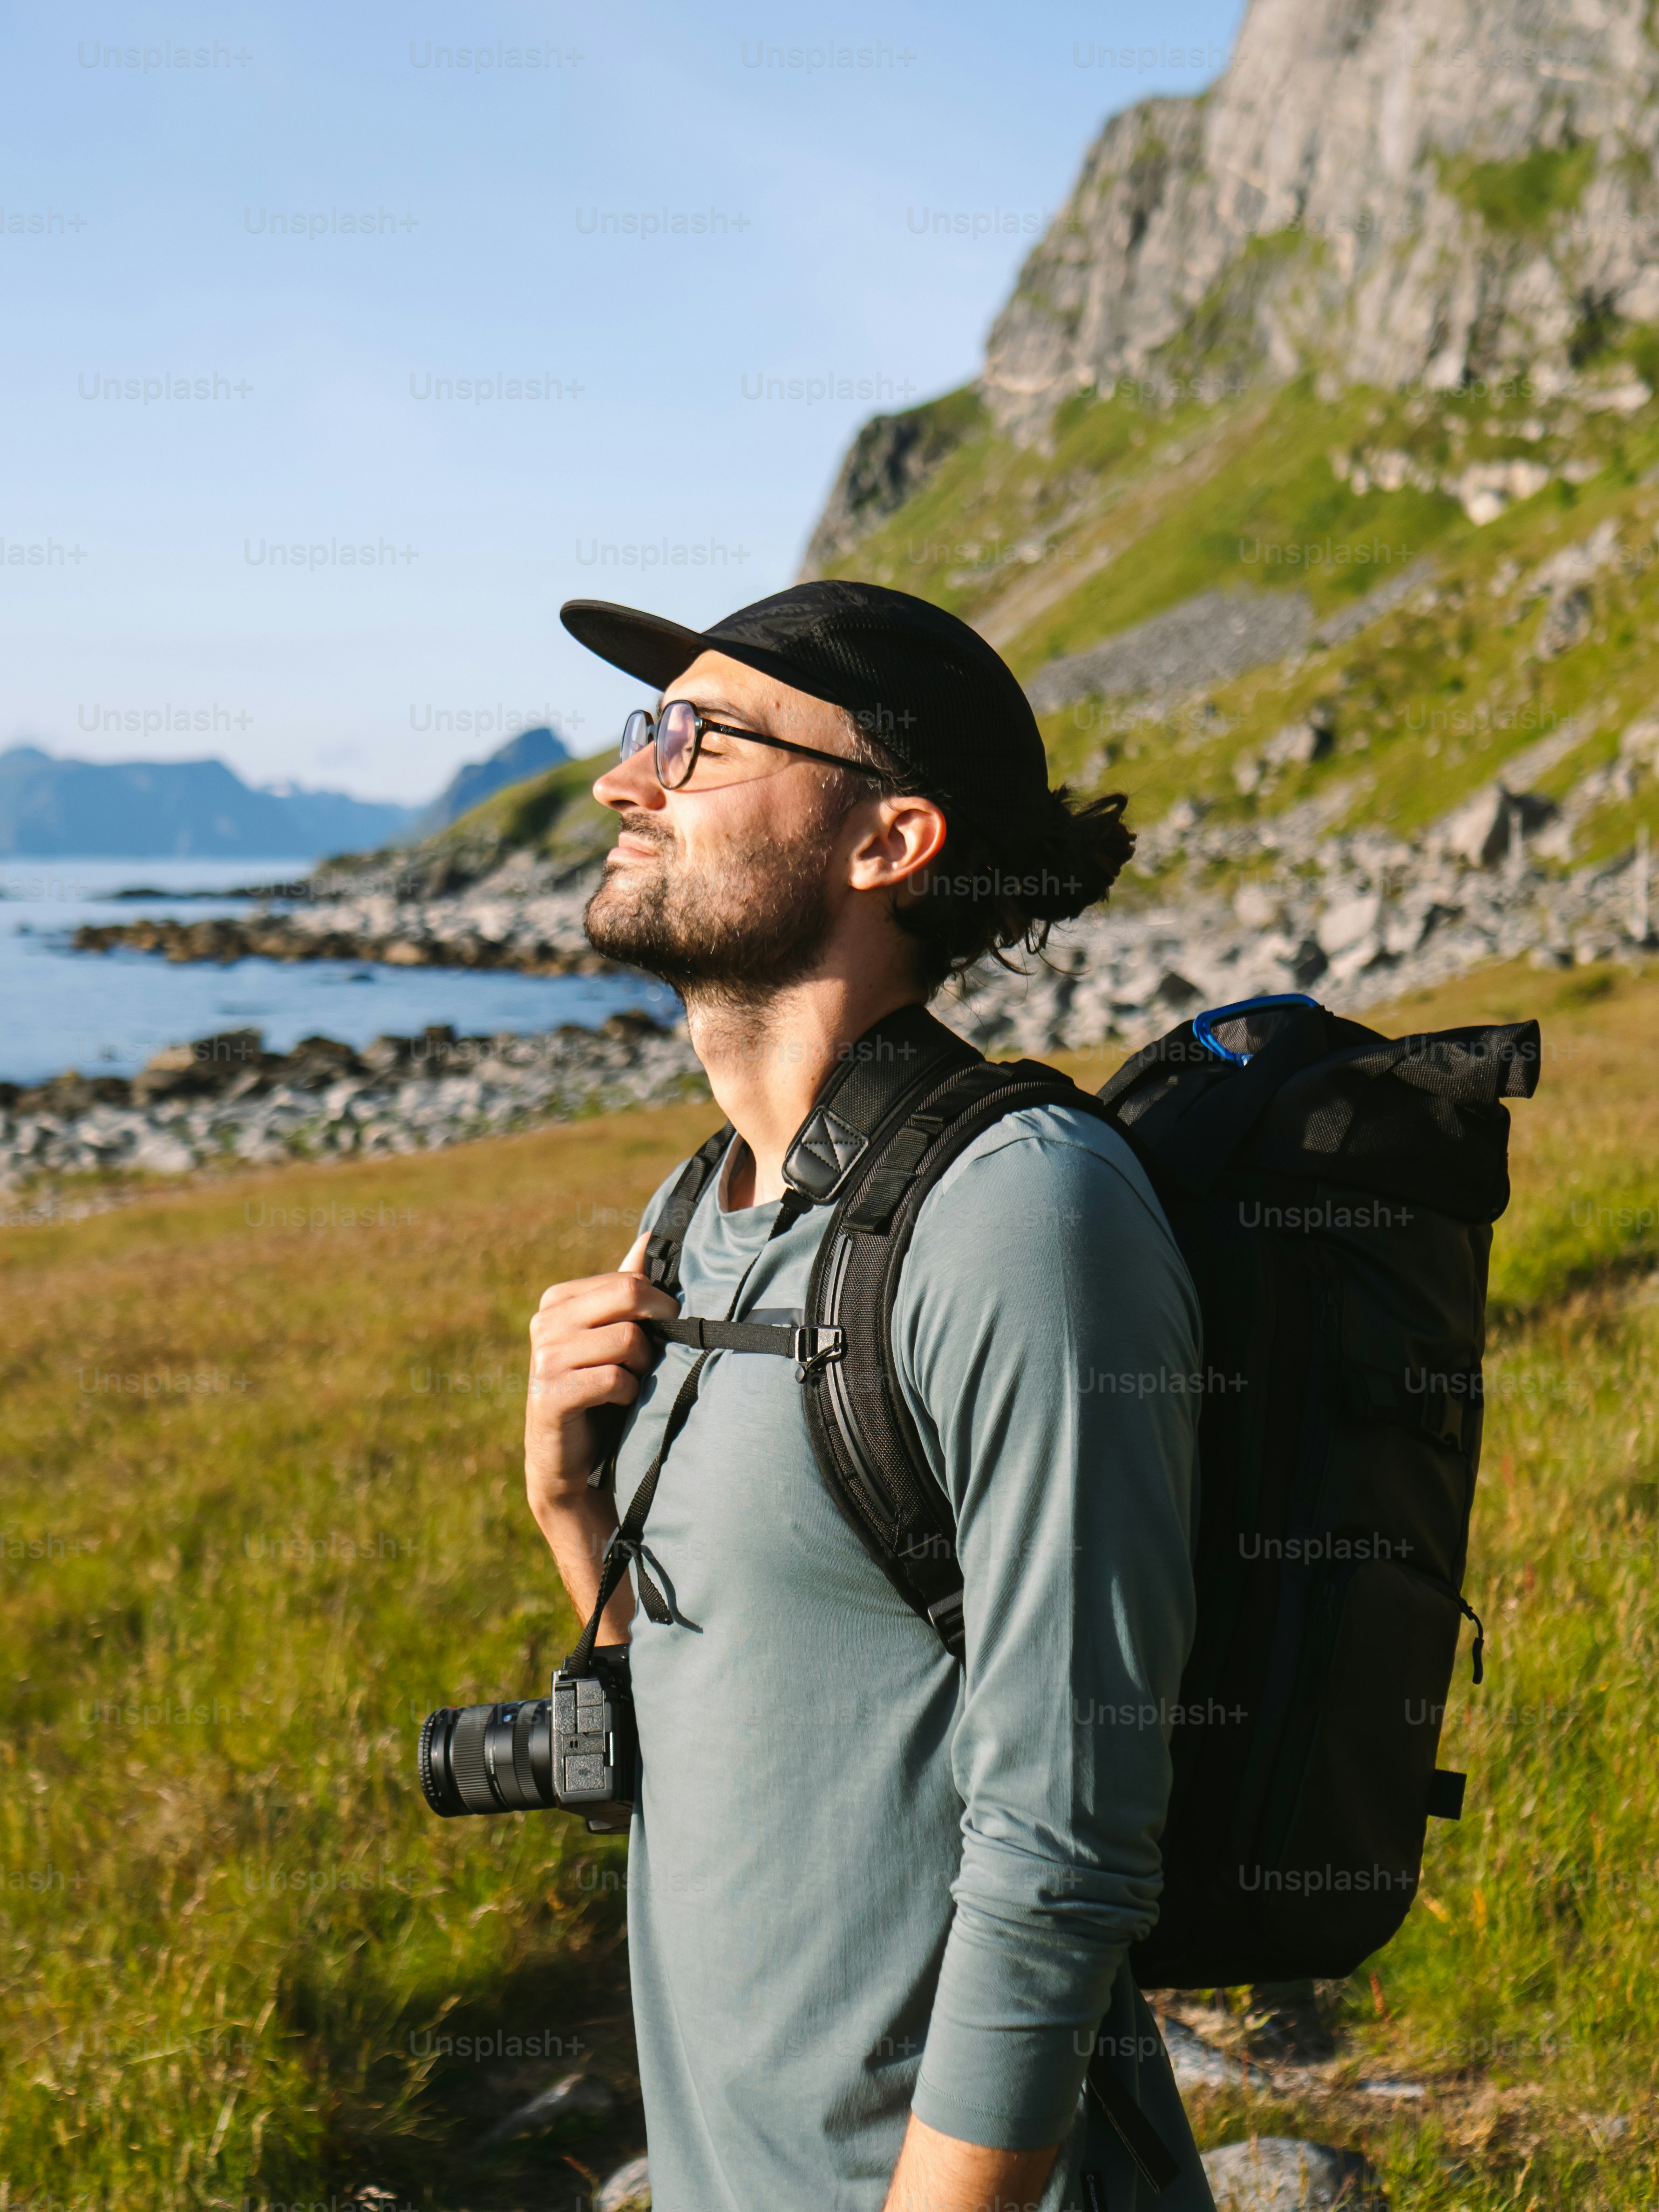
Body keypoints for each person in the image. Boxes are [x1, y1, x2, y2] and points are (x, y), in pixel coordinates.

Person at [524, 580, 1214, 2212]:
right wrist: (571, 1510)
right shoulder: (694, 1212)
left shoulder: (1024, 1217)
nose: (631, 780)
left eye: (701, 741)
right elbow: (719, 1736)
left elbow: (1066, 1843)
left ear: (888, 841)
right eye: (646, 730)